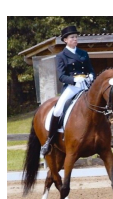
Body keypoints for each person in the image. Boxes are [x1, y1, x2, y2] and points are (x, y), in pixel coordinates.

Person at [40, 25, 96, 156]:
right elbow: (61, 76)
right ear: (65, 40)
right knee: (59, 108)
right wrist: (74, 80)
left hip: (86, 85)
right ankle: (49, 140)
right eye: (72, 37)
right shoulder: (61, 56)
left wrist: (91, 76)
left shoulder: (83, 53)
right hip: (72, 86)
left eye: (76, 37)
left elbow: (90, 69)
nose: (75, 39)